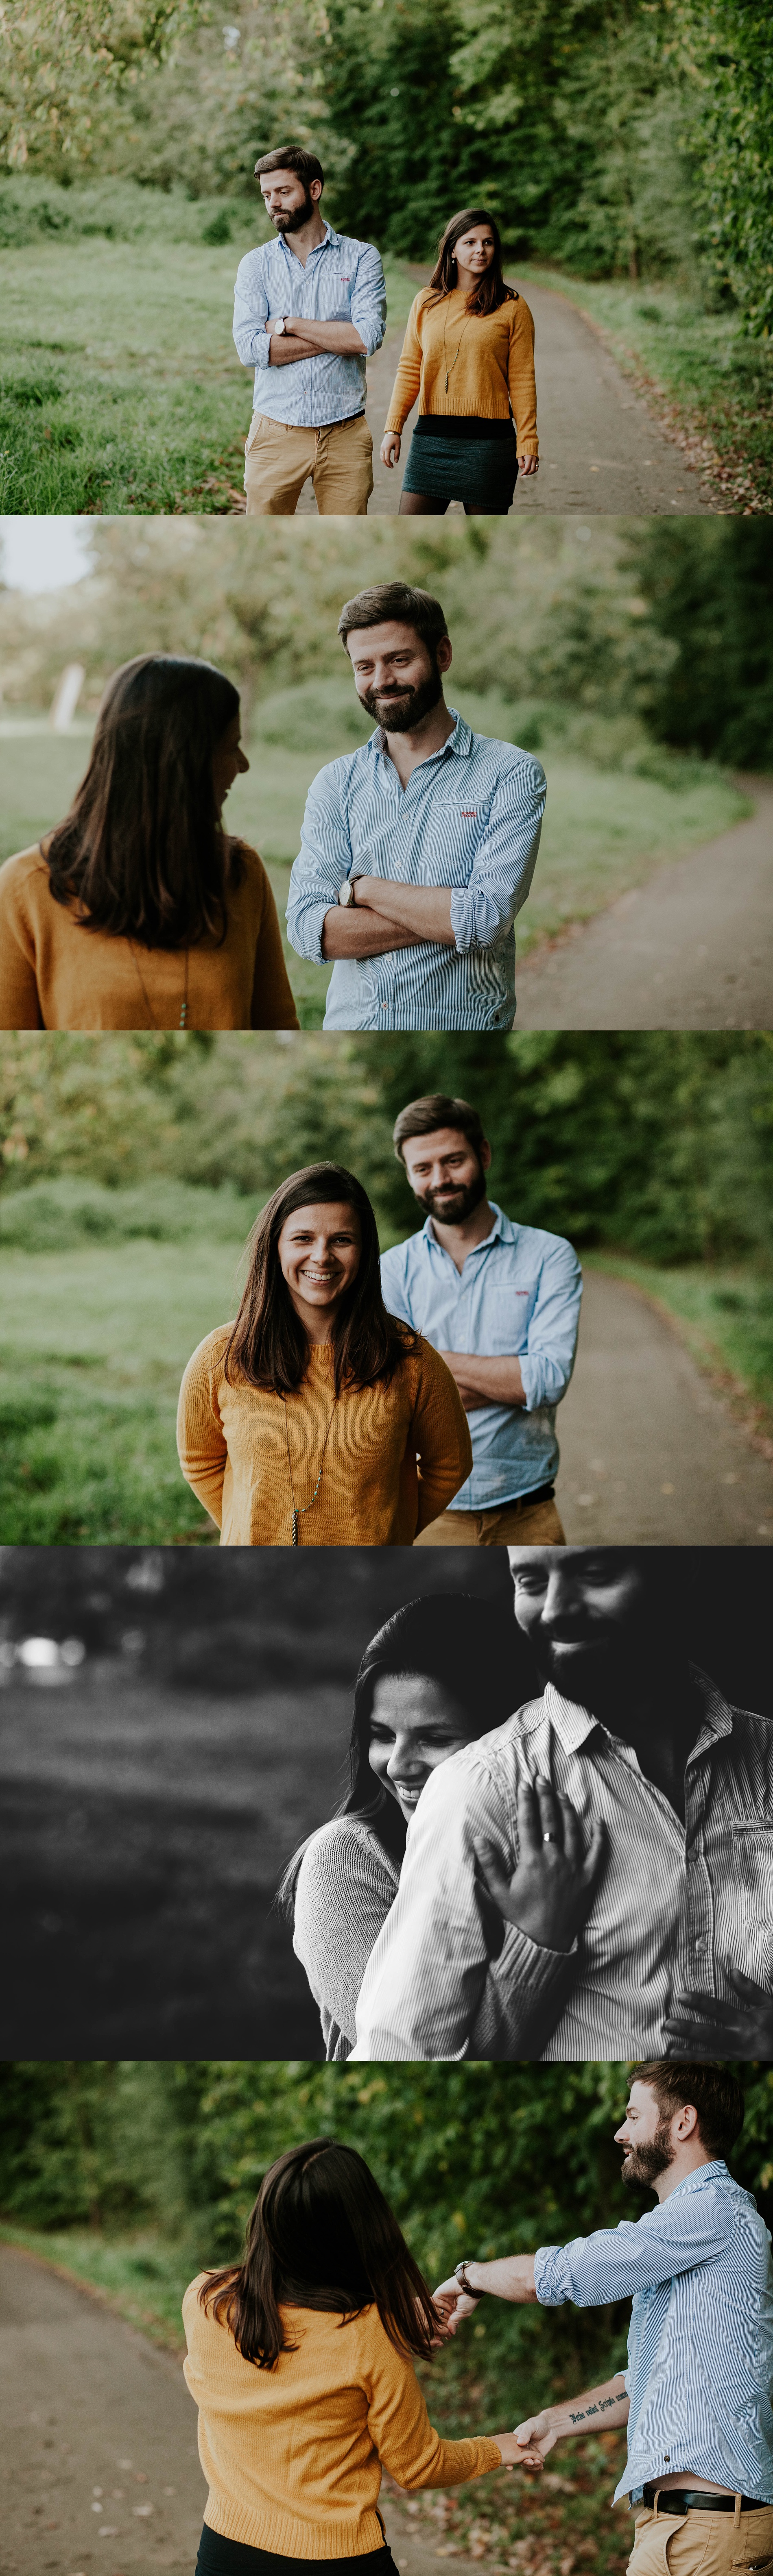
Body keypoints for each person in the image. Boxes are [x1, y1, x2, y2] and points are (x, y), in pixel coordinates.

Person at [349, 1547, 773, 2059]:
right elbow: (399, 2053)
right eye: (529, 1580)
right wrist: (537, 1946)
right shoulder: (480, 1790)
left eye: (594, 1573)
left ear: (679, 1569)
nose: (553, 1609)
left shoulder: (764, 1758)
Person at [432, 2062, 773, 2576]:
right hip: (675, 2529)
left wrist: (469, 2277)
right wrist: (556, 2422)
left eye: (634, 2115)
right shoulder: (684, 2235)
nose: (620, 2132)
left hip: (711, 2535)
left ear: (683, 2123)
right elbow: (644, 2384)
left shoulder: (713, 2211)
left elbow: (560, 2274)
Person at [183, 2136, 528, 2575]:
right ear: (361, 2230)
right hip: (337, 2559)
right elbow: (418, 2465)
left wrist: (395, 2318)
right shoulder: (370, 2334)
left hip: (226, 2552)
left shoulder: (205, 2299)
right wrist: (499, 2448)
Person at [282, 1593, 533, 2060]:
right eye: (381, 1735)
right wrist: (538, 1943)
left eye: (434, 1738)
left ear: (504, 1737)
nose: (398, 1765)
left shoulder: (548, 1842)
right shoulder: (345, 1862)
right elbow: (409, 2056)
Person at [285, 583, 546, 1032]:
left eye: (399, 660)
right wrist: (449, 914)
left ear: (442, 655)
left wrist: (360, 890)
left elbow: (486, 919)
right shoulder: (335, 782)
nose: (381, 680)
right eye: (364, 666)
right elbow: (311, 931)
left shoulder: (511, 773)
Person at [177, 1162, 472, 1546]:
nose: (322, 1256)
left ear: (364, 1251)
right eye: (302, 1238)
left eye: (342, 1240)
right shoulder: (220, 1356)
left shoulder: (411, 1359)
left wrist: (391, 1531)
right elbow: (200, 1460)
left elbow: (450, 1465)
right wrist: (248, 1527)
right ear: (275, 1245)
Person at [0, 654, 299, 1031]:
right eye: (230, 746)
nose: (243, 764)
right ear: (183, 763)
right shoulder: (26, 888)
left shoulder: (241, 874)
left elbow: (278, 1025)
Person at [380, 1093, 581, 1545]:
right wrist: (509, 1378)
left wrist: (426, 1363)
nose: (440, 1179)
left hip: (526, 1512)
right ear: (409, 1175)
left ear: (483, 1154)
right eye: (423, 1168)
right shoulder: (389, 1270)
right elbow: (394, 1394)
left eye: (453, 1161)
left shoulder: (549, 1256)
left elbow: (547, 1379)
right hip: (427, 1515)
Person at [233, 146, 386, 516]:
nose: (274, 204)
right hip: (275, 432)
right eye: (267, 196)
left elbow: (367, 338)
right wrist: (338, 337)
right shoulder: (256, 265)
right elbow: (251, 349)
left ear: (314, 190)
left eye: (284, 192)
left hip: (345, 433)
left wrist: (289, 325)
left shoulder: (362, 257)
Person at [381, 207, 538, 517]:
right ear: (452, 249)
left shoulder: (513, 307)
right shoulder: (426, 301)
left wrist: (528, 439)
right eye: (470, 242)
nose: (481, 250)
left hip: (489, 444)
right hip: (432, 439)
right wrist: (393, 427)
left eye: (488, 242)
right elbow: (410, 368)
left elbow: (522, 379)